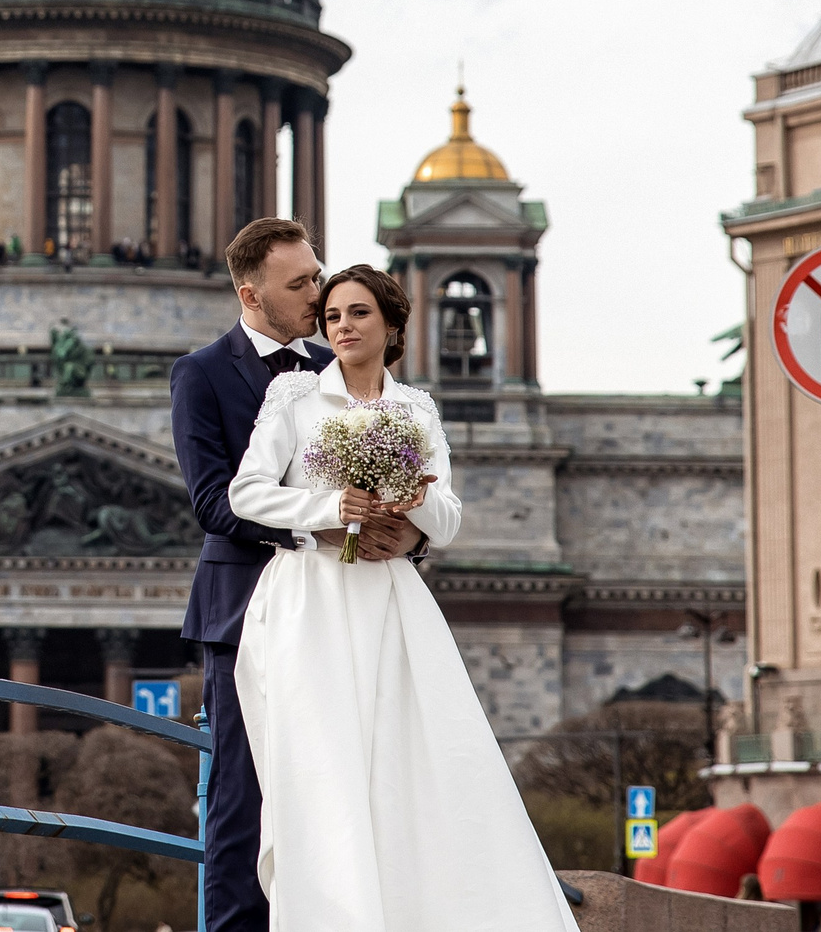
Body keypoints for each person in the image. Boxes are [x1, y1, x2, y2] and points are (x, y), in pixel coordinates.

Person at [228, 264, 575, 930]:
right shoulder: (294, 397)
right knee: (325, 766)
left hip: (389, 597)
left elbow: (448, 516)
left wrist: (409, 515)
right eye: (331, 317)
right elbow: (246, 494)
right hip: (314, 597)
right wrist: (336, 506)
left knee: (411, 761)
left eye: (357, 314)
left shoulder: (415, 408)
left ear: (391, 324)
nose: (343, 327)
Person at [171, 219, 420, 932]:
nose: (319, 293)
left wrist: (401, 530)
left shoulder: (338, 368)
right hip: (245, 611)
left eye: (317, 275)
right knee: (243, 805)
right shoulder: (201, 373)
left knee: (346, 791)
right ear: (251, 294)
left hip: (344, 607)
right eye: (301, 283)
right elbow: (213, 501)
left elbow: (401, 472)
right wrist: (326, 522)